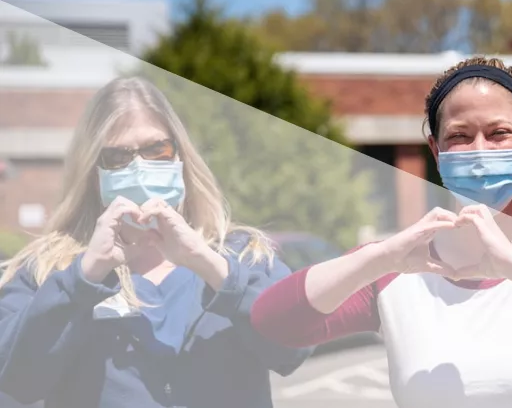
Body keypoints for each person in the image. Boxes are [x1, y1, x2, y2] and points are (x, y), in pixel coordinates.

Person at [250, 56, 512, 408]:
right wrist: (379, 257)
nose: (481, 151)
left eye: (500, 133)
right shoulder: (400, 267)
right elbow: (273, 323)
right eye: (460, 137)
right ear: (436, 150)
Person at [0, 77, 312, 408]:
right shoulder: (47, 269)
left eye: (156, 150)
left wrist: (205, 262)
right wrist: (85, 276)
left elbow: (292, 350)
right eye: (117, 157)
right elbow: (15, 381)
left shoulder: (244, 254)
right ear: (93, 170)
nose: (139, 167)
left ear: (180, 156)